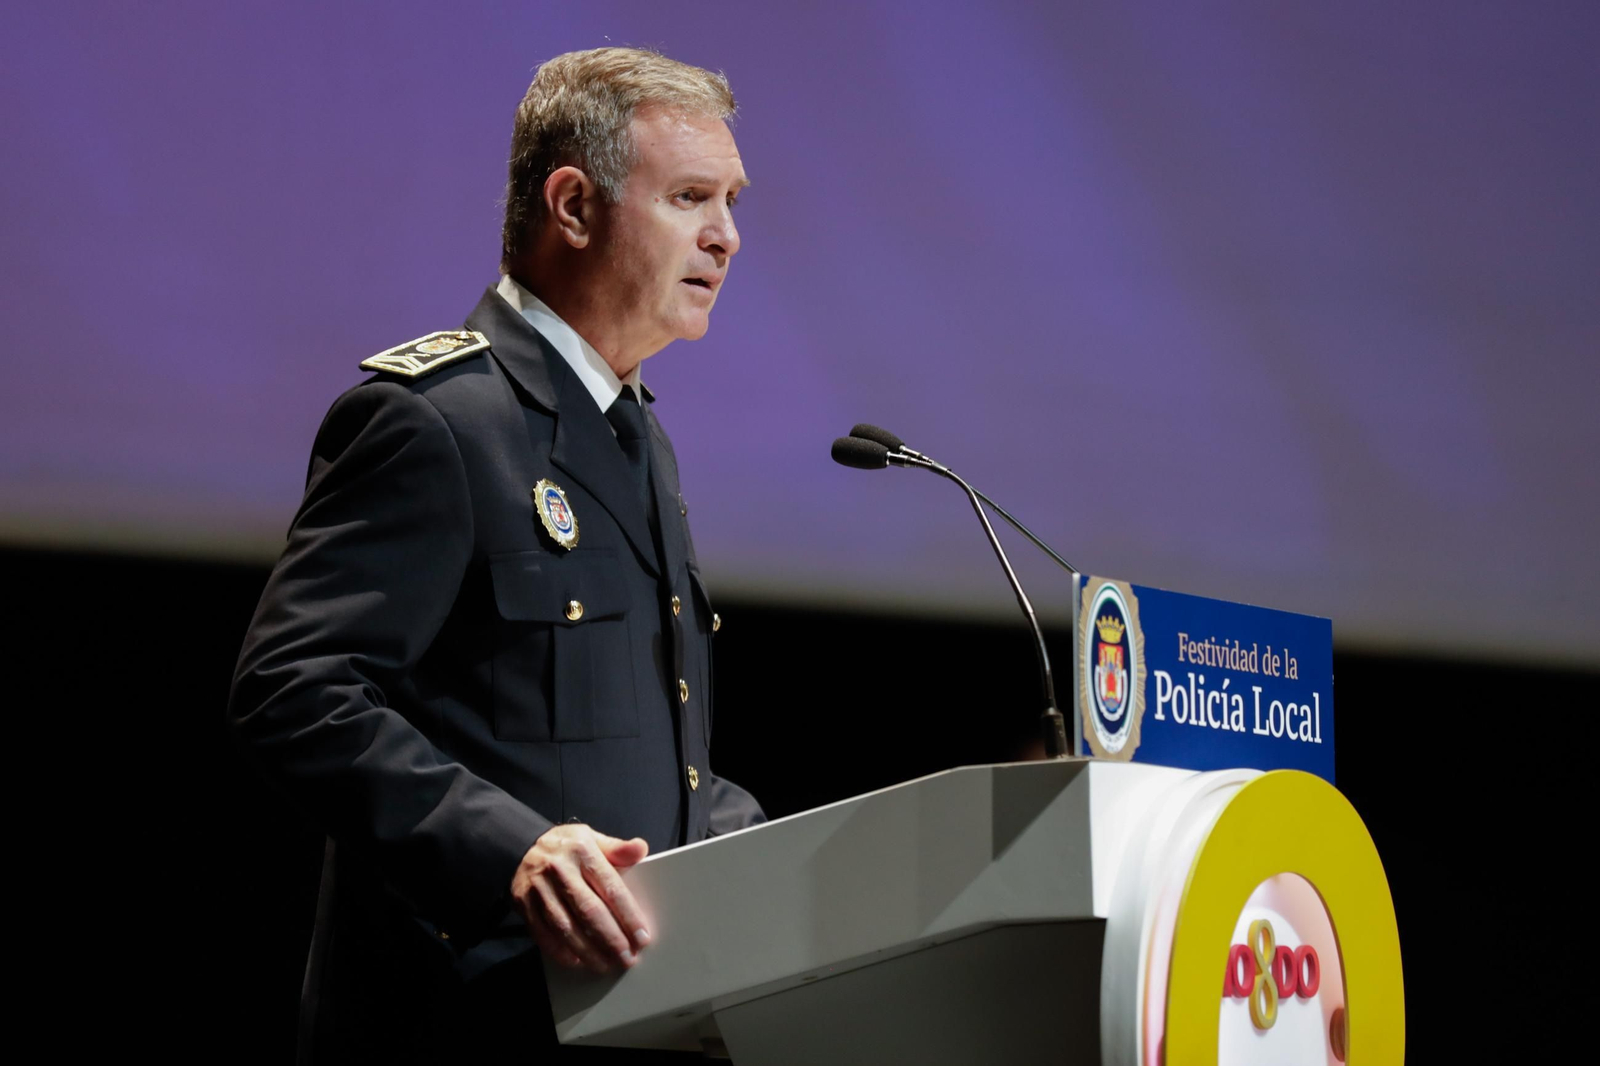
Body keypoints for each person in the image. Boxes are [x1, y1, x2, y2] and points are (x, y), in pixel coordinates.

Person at [228, 47, 764, 1063]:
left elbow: (624, 746)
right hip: (462, 1020)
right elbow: (290, 687)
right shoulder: (435, 423)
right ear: (572, 205)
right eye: (691, 196)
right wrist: (509, 847)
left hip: (629, 1018)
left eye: (731, 200)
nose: (727, 236)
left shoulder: (636, 433)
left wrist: (762, 850)